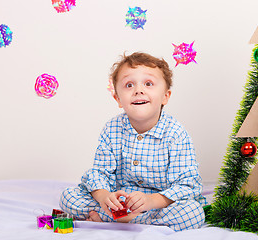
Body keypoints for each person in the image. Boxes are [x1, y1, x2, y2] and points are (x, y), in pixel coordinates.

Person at [59, 52, 206, 231]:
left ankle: (124, 220)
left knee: (193, 213)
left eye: (148, 84)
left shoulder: (176, 134)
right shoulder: (112, 128)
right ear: (118, 99)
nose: (138, 90)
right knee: (68, 197)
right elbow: (99, 172)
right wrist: (105, 196)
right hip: (118, 202)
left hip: (157, 204)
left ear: (165, 96)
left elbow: (187, 184)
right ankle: (122, 217)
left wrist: (152, 201)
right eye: (129, 85)